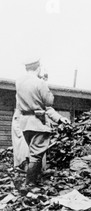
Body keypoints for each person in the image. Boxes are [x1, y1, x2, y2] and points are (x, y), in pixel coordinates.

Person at [15, 58, 70, 188]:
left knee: (35, 153)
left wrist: (59, 118)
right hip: (38, 123)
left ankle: (34, 180)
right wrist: (44, 82)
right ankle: (30, 184)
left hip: (25, 123)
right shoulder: (40, 83)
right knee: (36, 155)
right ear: (38, 68)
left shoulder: (19, 82)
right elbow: (49, 102)